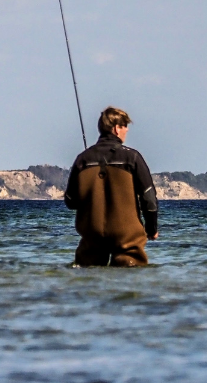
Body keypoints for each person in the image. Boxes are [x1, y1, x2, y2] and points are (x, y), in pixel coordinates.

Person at [64, 107, 159, 266]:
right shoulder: (132, 157)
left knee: (88, 272)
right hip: (126, 236)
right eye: (125, 126)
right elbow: (148, 198)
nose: (127, 130)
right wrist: (151, 229)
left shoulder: (82, 159)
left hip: (92, 234)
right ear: (116, 128)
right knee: (129, 269)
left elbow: (70, 201)